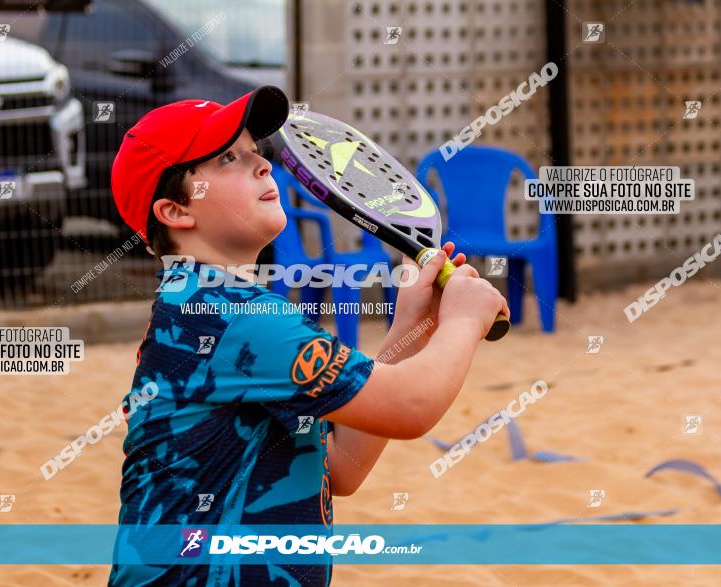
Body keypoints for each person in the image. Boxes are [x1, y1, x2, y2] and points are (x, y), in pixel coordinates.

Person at [107, 85, 509, 586]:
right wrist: (465, 320)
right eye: (229, 158)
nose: (261, 164)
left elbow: (340, 468)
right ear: (176, 212)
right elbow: (411, 406)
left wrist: (413, 326)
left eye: (256, 151)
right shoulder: (233, 316)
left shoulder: (207, 304)